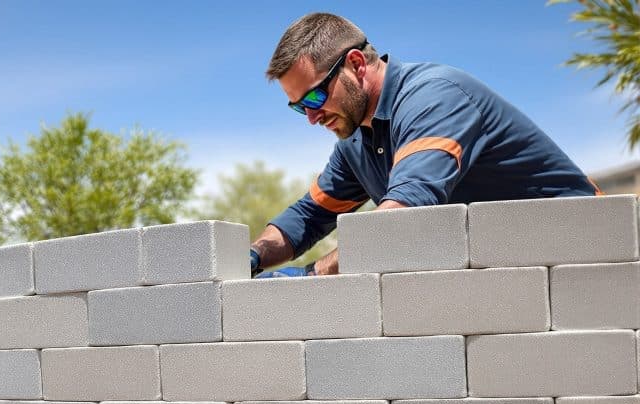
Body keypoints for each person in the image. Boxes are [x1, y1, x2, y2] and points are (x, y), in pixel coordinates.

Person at [250, 13, 601, 278]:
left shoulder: (434, 98)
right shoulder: (356, 139)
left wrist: (313, 274)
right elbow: (309, 216)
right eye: (299, 107)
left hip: (589, 253)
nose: (311, 117)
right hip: (514, 272)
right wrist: (251, 258)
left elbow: (403, 216)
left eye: (315, 96)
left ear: (356, 65)